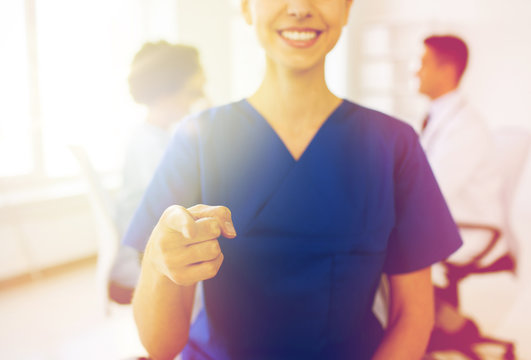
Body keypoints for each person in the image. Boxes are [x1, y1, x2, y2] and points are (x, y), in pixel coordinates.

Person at [123, 2, 462, 359]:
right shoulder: (196, 140)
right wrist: (159, 267)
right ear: (246, 8)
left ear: (347, 8)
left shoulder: (395, 145)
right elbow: (159, 347)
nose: (300, 7)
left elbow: (413, 312)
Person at [109, 41, 205, 304]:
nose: (195, 101)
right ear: (166, 94)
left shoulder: (156, 138)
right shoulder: (149, 145)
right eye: (192, 92)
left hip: (147, 249)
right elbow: (176, 204)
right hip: (141, 259)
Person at [416, 35, 504, 270]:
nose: (417, 72)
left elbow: (433, 191)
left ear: (446, 71)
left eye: (424, 63)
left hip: (471, 229)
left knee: (385, 251)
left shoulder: (466, 126)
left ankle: (431, 307)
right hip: (449, 223)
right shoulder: (440, 117)